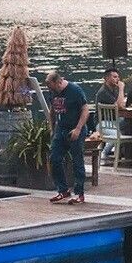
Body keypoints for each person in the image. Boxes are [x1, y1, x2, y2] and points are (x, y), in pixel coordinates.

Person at [44, 71, 89, 204]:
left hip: (75, 128)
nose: (53, 91)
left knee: (77, 161)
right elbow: (52, 109)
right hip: (61, 129)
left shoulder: (74, 90)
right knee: (54, 158)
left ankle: (79, 193)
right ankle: (62, 190)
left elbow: (85, 109)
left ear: (59, 82)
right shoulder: (53, 91)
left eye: (53, 88)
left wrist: (78, 128)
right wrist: (52, 128)